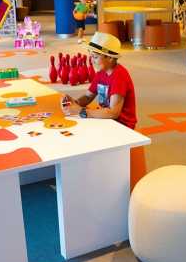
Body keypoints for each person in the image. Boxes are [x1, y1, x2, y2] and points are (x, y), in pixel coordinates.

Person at [61, 32, 146, 187]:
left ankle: (98, 179)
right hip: (107, 121)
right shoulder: (101, 73)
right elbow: (88, 97)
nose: (91, 60)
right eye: (91, 56)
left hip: (122, 126)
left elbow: (113, 112)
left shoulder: (119, 76)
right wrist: (74, 102)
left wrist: (81, 111)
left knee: (86, 139)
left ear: (110, 58)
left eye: (95, 56)